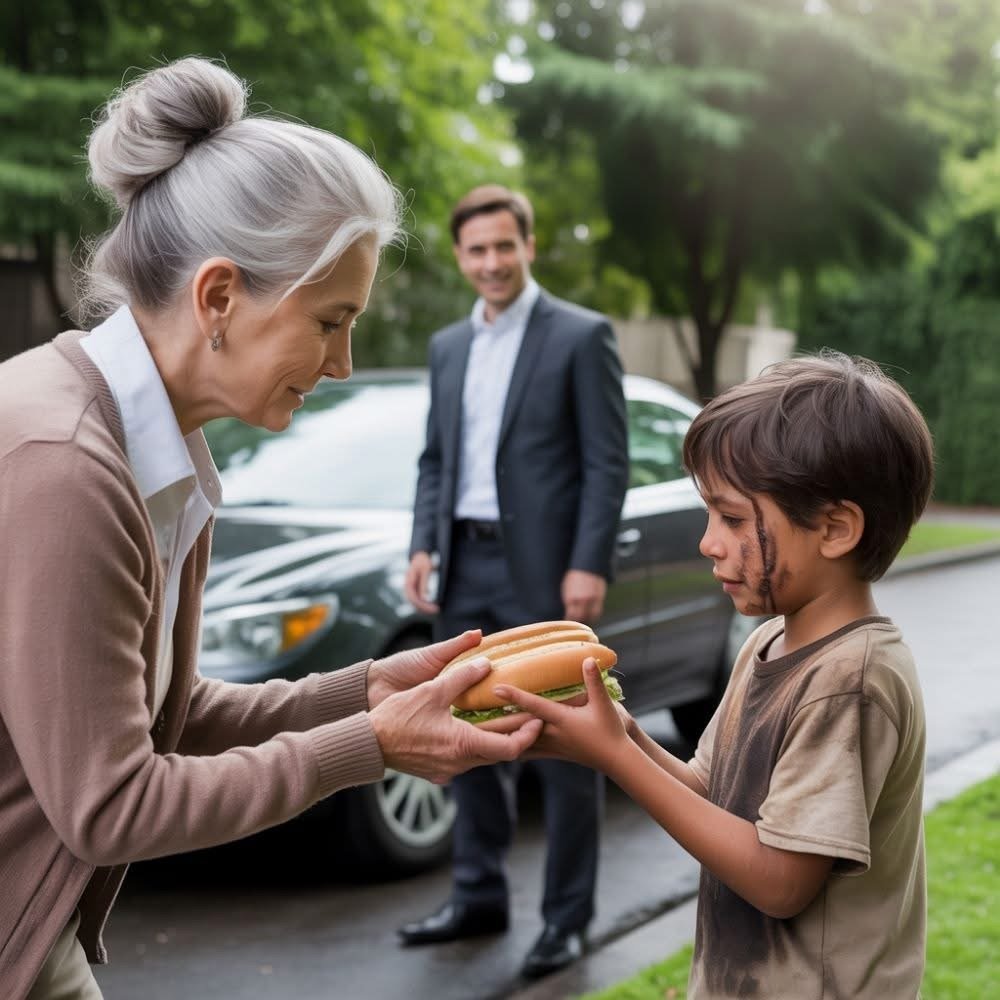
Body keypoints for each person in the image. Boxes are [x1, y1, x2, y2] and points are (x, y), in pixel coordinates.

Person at [0, 58, 543, 1000]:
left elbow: (167, 716)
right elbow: (112, 804)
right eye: (331, 322)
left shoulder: (152, 448)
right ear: (218, 297)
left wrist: (365, 690)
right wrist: (373, 744)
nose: (343, 363)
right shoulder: (68, 464)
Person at [496, 352, 935, 998]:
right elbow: (710, 791)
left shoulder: (852, 679)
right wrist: (620, 736)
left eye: (731, 519)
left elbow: (780, 881)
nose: (708, 542)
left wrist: (619, 757)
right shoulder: (768, 642)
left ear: (835, 528)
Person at [398, 184, 629, 978]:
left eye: (505, 246)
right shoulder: (447, 347)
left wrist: (588, 561)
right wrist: (423, 543)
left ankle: (567, 919)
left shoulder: (581, 335)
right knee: (467, 730)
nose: (492, 262)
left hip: (547, 571)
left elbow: (606, 462)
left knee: (566, 746)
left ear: (529, 245)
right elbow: (436, 459)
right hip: (462, 565)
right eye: (477, 250)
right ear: (460, 257)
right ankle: (477, 897)